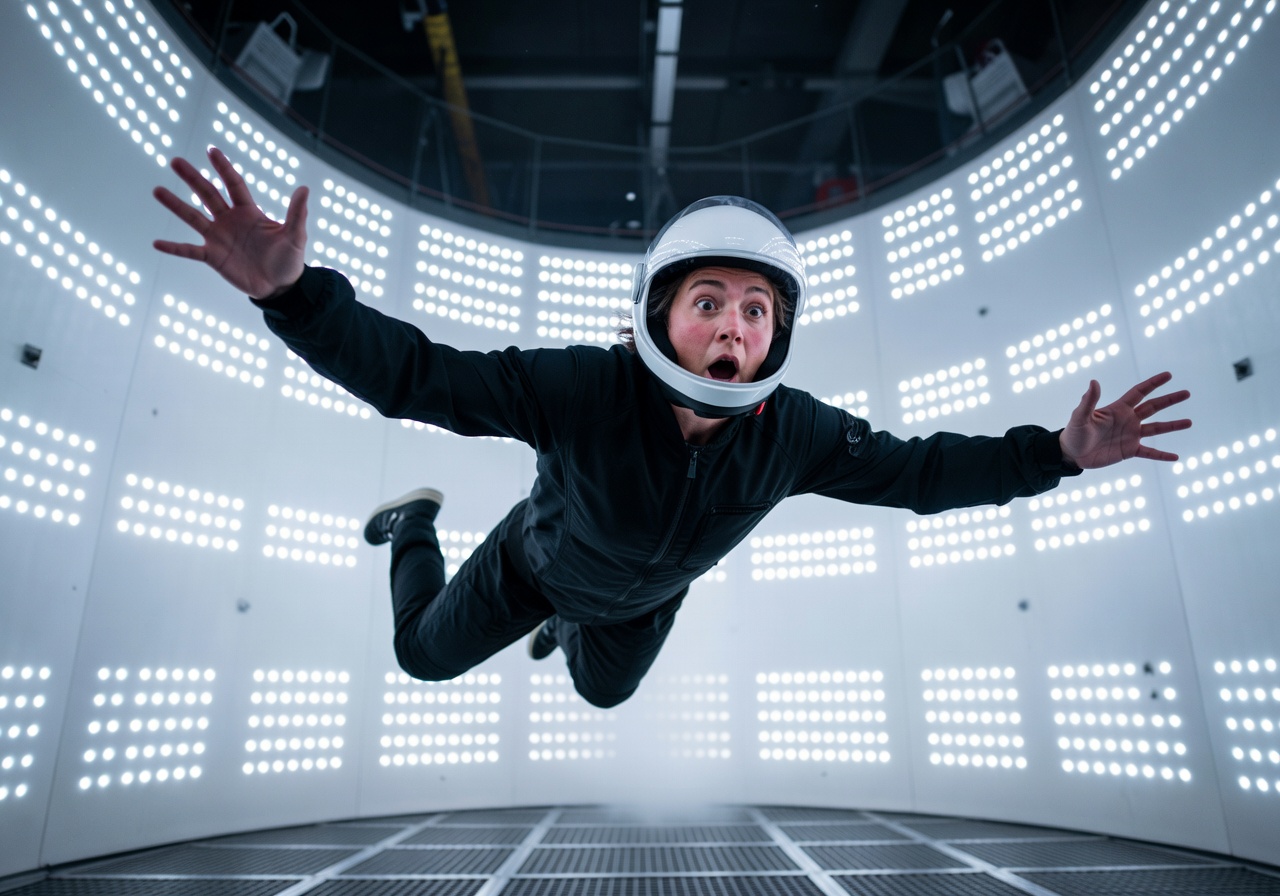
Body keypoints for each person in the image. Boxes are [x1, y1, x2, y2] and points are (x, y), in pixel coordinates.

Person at [154, 147, 1192, 709]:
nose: (734, 324)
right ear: (658, 318)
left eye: (756, 309)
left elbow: (920, 473)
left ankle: (572, 635)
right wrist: (294, 297)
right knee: (421, 660)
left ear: (775, 337)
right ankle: (415, 526)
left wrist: (1056, 455)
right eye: (709, 301)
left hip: (640, 602)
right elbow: (422, 376)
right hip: (534, 566)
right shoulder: (582, 387)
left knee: (602, 697)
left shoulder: (796, 434)